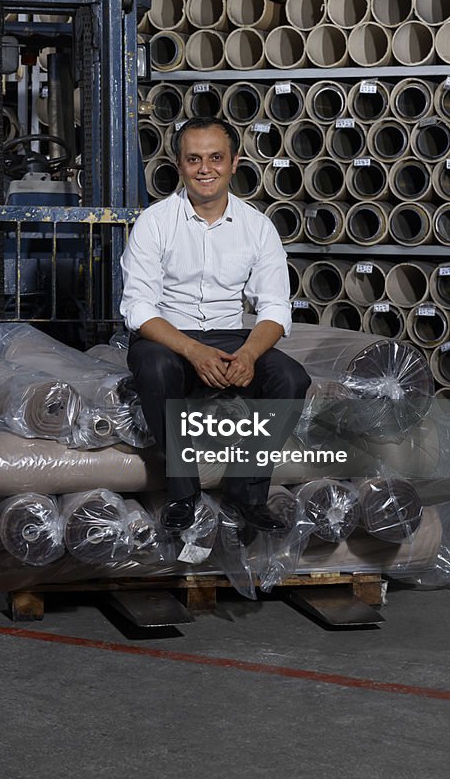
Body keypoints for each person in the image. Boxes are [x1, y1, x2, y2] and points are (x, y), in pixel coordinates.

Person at [120, 115, 311, 534]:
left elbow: (276, 308)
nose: (205, 168)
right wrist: (192, 350)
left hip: (229, 338)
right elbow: (138, 307)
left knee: (291, 378)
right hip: (168, 337)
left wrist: (248, 354)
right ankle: (183, 494)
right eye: (194, 159)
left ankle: (248, 493)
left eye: (215, 158)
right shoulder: (155, 223)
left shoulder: (257, 227)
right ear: (179, 164)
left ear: (234, 162)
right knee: (155, 366)